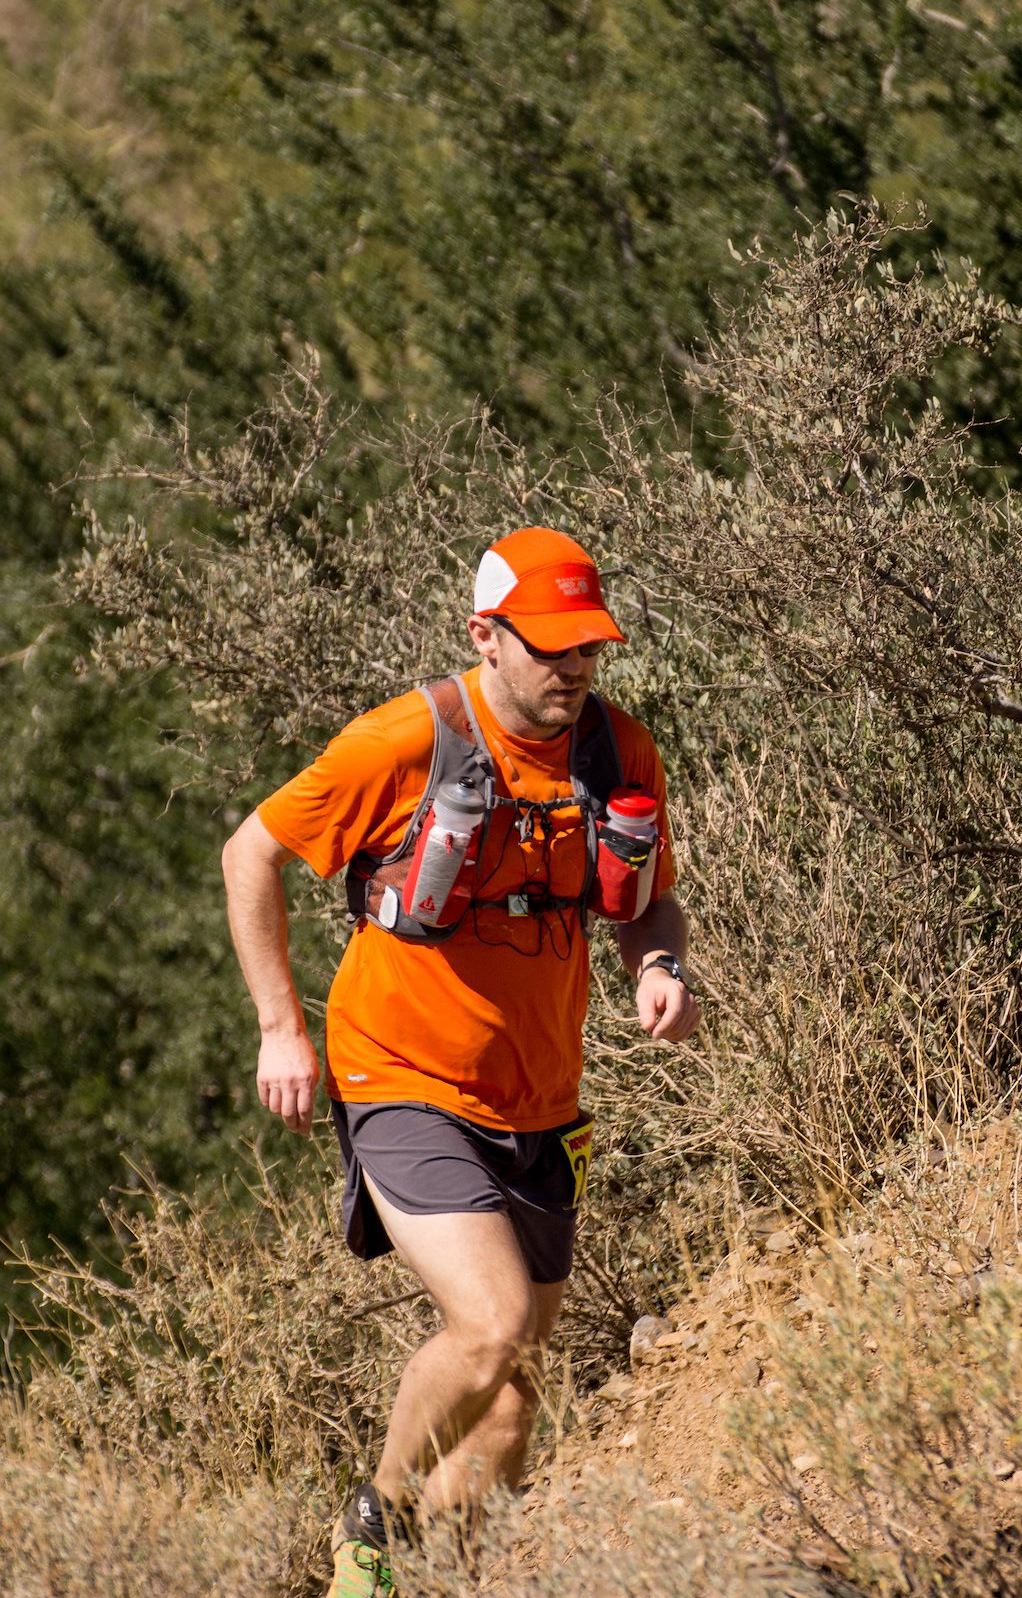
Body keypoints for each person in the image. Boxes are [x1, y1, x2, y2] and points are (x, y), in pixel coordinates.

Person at [221, 526, 699, 1597]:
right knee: (486, 1329)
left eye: (591, 649)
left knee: (516, 1390)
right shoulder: (404, 740)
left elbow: (647, 892)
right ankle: (373, 1528)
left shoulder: (619, 751)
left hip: (541, 1099)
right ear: (486, 635)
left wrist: (655, 965)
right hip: (401, 1077)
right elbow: (247, 852)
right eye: (553, 648)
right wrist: (279, 1028)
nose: (576, 668)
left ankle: (460, 1582)